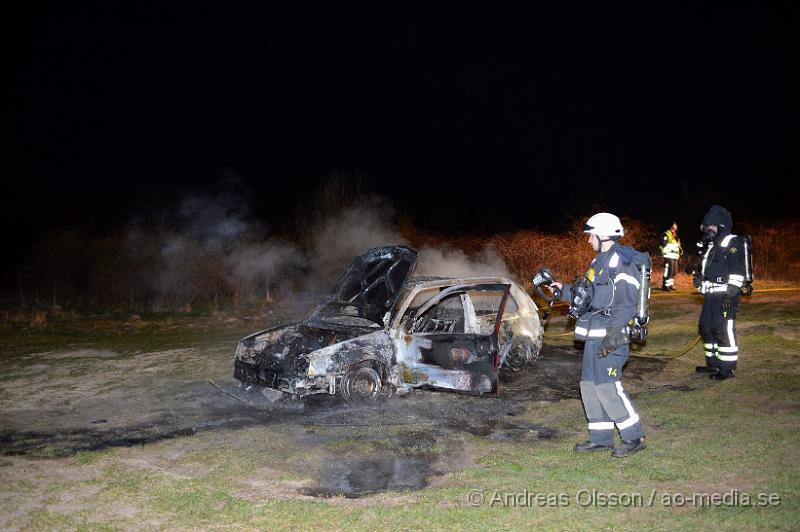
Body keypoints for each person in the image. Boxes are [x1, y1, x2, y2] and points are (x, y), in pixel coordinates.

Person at [547, 213, 646, 457]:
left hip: (612, 336)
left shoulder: (622, 263)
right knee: (589, 386)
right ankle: (601, 438)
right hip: (594, 335)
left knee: (607, 386)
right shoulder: (597, 262)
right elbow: (586, 296)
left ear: (604, 235)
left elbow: (626, 304)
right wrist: (561, 290)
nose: (589, 239)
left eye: (591, 234)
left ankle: (634, 437)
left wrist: (613, 338)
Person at [694, 205, 746, 380]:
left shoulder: (733, 242)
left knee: (723, 330)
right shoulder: (711, 245)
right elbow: (706, 269)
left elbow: (738, 271)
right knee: (706, 329)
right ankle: (713, 363)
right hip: (710, 296)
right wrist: (700, 280)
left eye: (711, 227)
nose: (708, 230)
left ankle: (727, 369)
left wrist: (731, 294)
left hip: (725, 296)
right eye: (706, 227)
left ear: (721, 226)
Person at [659, 222, 682, 291]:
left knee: (674, 271)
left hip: (675, 256)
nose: (676, 228)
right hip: (668, 255)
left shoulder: (675, 235)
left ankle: (670, 285)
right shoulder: (665, 234)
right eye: (675, 226)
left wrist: (679, 252)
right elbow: (663, 245)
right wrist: (673, 246)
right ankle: (665, 286)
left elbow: (678, 246)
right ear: (671, 227)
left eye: (676, 226)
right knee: (669, 271)